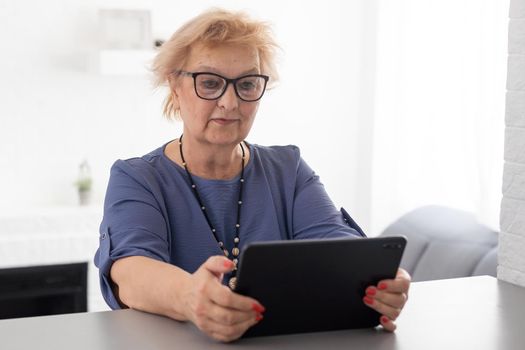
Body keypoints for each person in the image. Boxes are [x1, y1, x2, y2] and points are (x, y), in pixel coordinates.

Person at [94, 8, 411, 343]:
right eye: (210, 83)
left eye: (246, 84)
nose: (230, 102)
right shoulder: (138, 178)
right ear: (175, 87)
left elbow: (336, 245)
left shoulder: (288, 168)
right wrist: (191, 298)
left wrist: (376, 281)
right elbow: (130, 272)